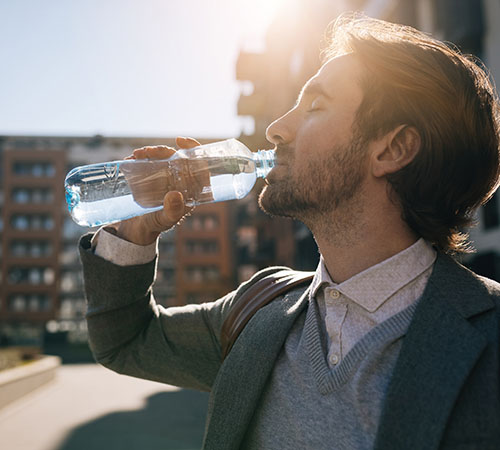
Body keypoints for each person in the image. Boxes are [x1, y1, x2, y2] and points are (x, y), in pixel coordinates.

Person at [79, 14, 500, 450]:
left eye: (315, 107)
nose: (275, 128)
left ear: (392, 149)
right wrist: (134, 235)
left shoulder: (490, 337)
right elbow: (126, 342)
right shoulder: (260, 309)